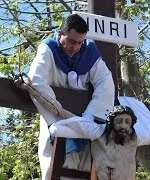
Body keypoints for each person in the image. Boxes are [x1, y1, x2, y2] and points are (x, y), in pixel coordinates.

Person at [26, 14, 115, 180]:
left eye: (80, 42)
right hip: (58, 121)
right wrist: (58, 111)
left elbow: (106, 83)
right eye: (72, 41)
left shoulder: (90, 53)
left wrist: (90, 118)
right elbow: (36, 81)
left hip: (86, 127)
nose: (76, 47)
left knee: (88, 172)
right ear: (60, 35)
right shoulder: (48, 50)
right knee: (57, 168)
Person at [49, 96, 150, 180]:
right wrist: (31, 89)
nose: (124, 126)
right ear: (111, 123)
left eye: (127, 122)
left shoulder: (135, 139)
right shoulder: (98, 133)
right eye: (119, 121)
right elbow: (61, 112)